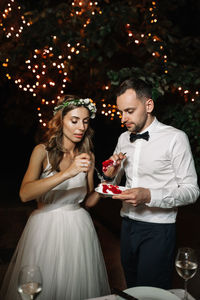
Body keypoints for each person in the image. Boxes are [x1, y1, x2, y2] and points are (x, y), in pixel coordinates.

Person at [0, 95, 111, 300]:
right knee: (46, 286)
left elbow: (87, 201)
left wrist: (108, 182)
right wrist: (67, 173)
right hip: (45, 228)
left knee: (77, 286)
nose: (81, 127)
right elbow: (25, 194)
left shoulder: (88, 155)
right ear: (60, 121)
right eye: (74, 120)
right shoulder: (42, 152)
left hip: (79, 228)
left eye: (85, 121)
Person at [102, 78, 200, 290]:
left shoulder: (175, 138)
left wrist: (149, 195)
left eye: (129, 111)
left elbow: (192, 191)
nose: (123, 118)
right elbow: (113, 182)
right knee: (132, 288)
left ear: (148, 105)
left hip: (158, 229)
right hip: (127, 226)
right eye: (121, 112)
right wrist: (110, 176)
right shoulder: (123, 138)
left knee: (152, 292)